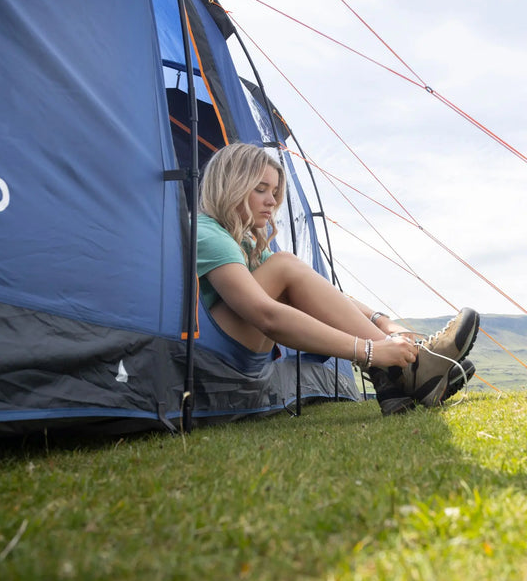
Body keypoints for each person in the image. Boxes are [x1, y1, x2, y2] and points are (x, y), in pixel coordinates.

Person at [196, 142, 480, 415]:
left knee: (291, 276)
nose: (272, 201)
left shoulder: (245, 242)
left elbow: (319, 295)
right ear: (231, 187)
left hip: (240, 357)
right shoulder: (207, 234)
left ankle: (397, 377)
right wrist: (372, 351)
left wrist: (383, 322)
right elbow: (266, 314)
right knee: (285, 266)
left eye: (274, 191)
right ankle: (406, 370)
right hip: (211, 362)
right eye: (261, 189)